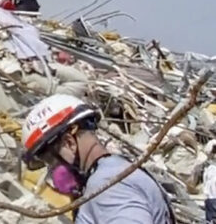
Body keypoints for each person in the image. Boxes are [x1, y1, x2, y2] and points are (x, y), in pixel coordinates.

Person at [22, 94, 175, 223]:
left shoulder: (105, 187)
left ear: (69, 143)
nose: (52, 174)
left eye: (51, 161)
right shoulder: (115, 170)